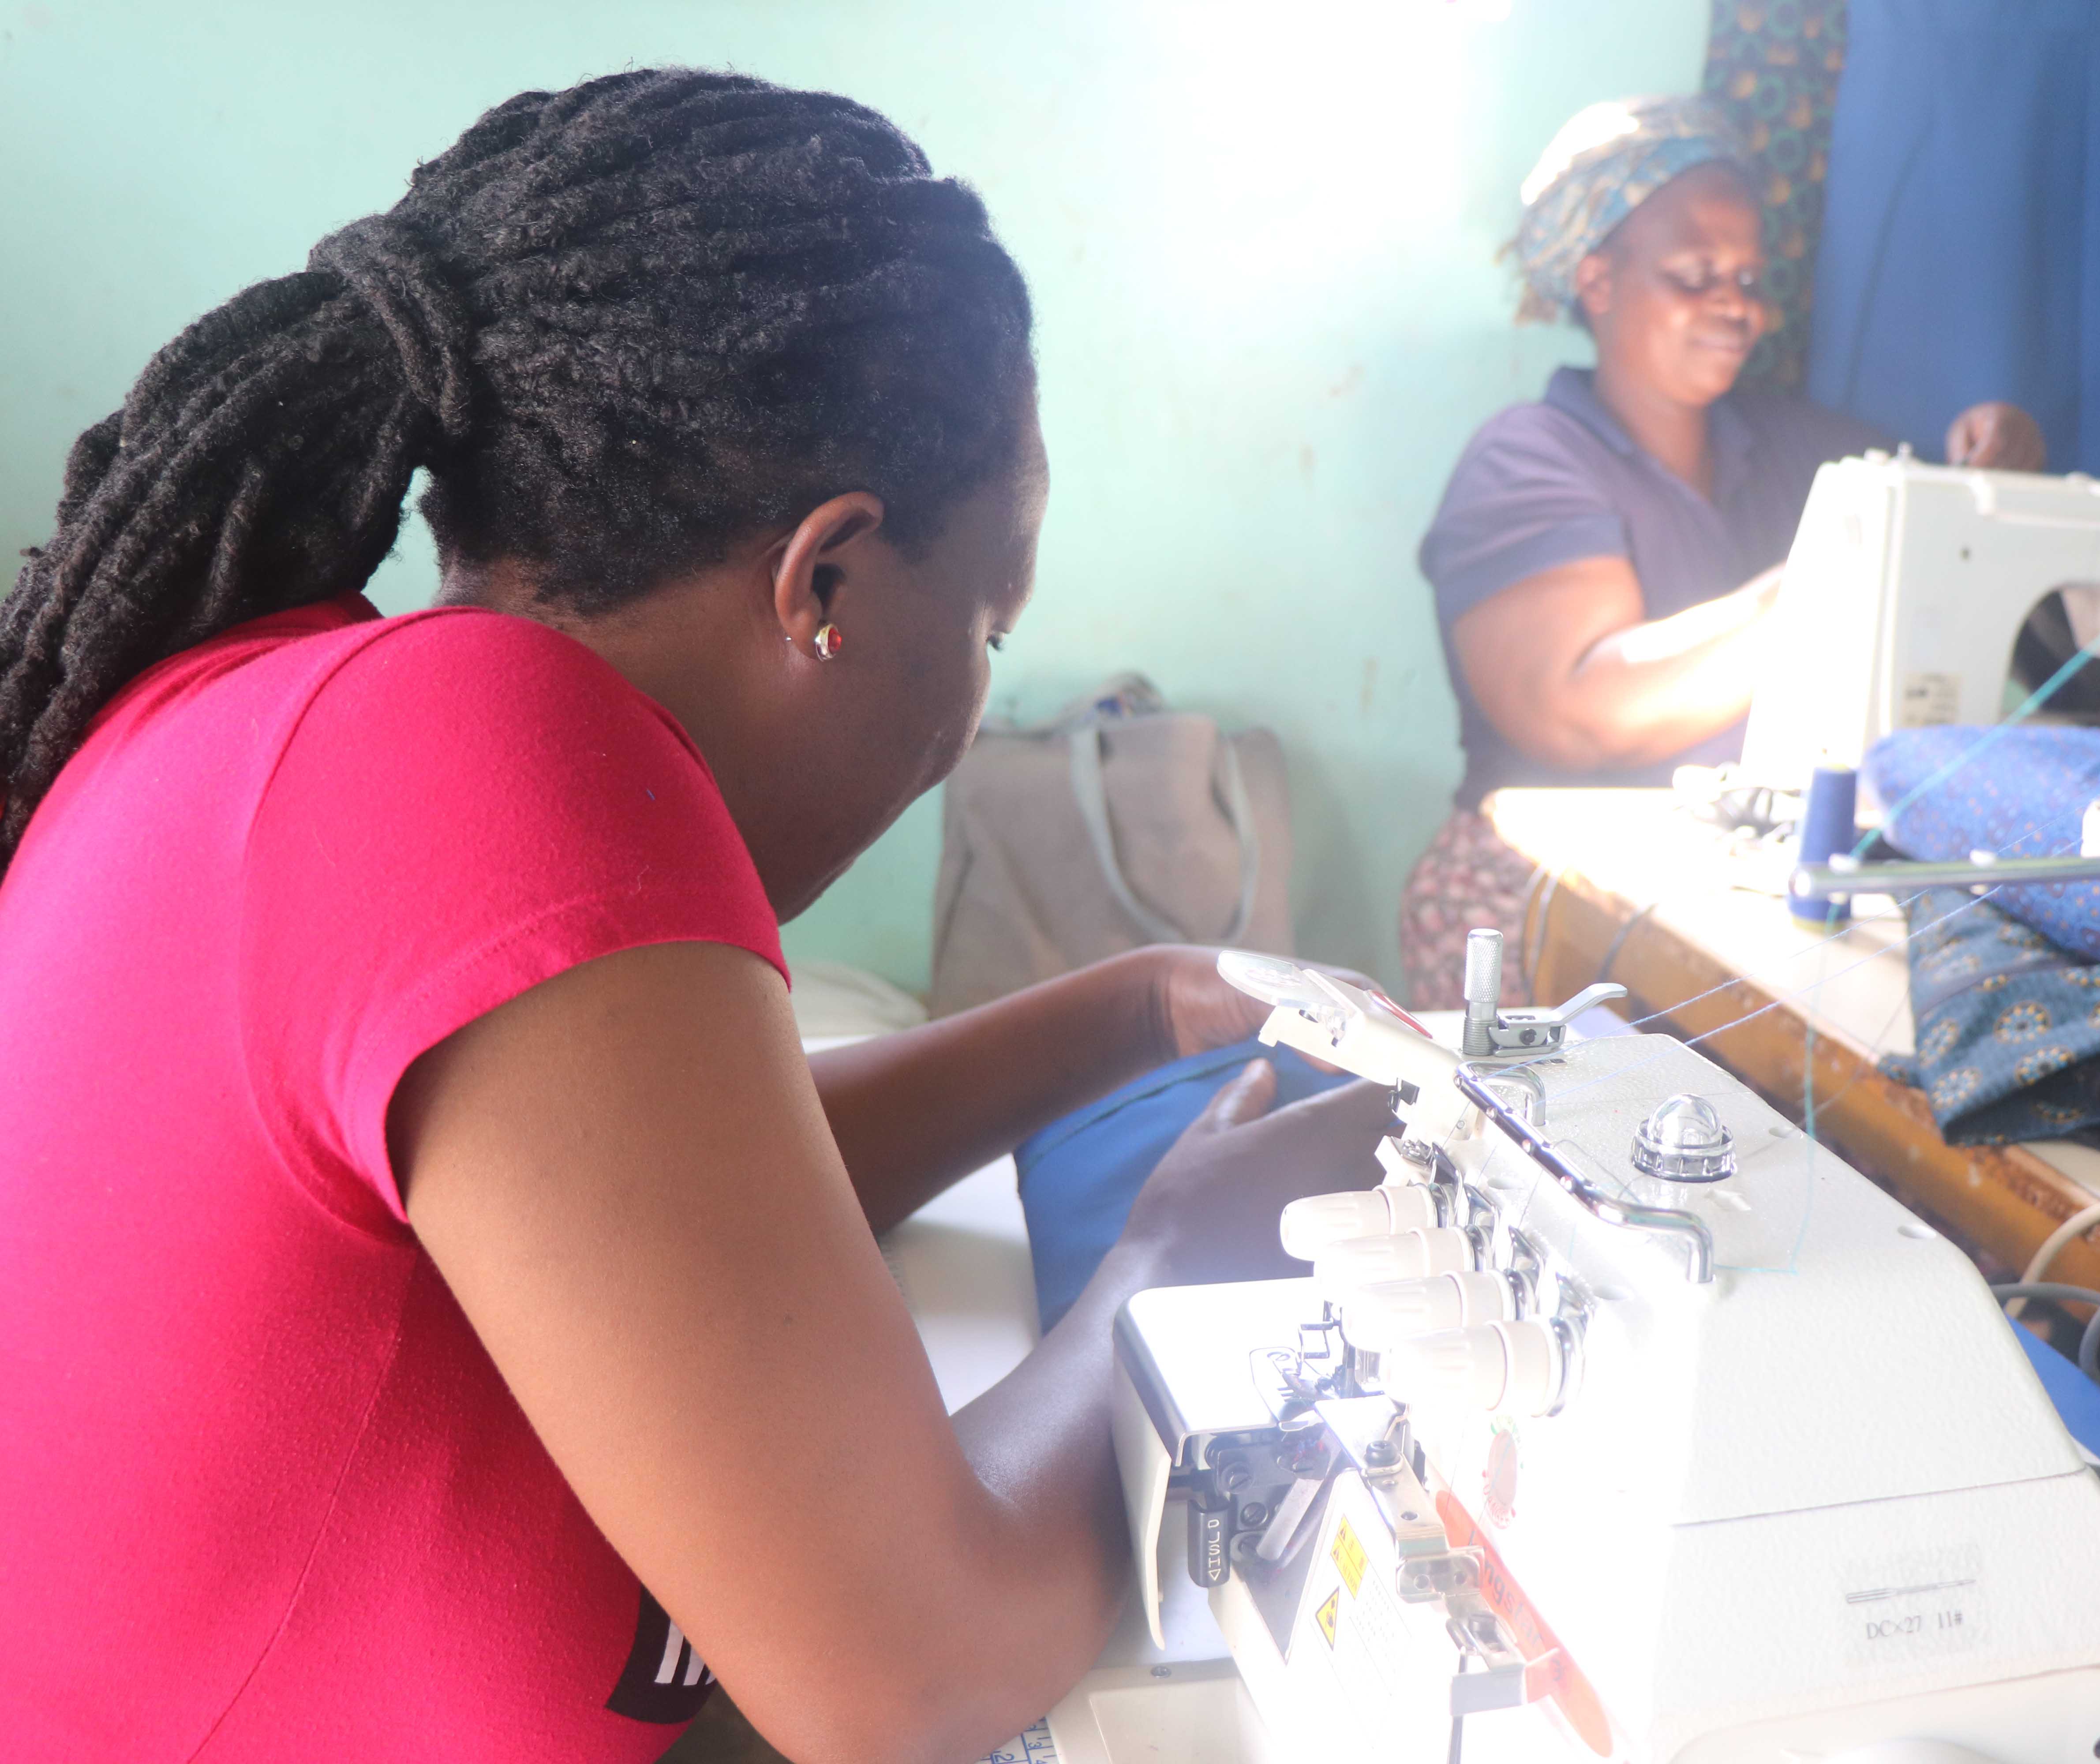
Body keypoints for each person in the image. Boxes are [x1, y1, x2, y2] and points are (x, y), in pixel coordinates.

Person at [0, 72, 1387, 1764]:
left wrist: (1127, 1008)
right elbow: (913, 1678)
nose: (968, 713)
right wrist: (1187, 1262)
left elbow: (664, 1200)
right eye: (991, 625)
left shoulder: (318, 710)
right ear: (827, 583)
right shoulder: (490, 759)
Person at [1398, 96, 2046, 1010]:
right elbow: (1583, 711)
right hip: (1538, 898)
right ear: (1598, 280)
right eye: (1695, 274)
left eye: (1748, 277)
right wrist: (1829, 579)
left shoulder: (1791, 442)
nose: (1736, 306)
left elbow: (1935, 532)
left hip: (1725, 893)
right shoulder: (1527, 457)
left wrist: (1993, 459)